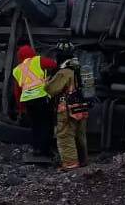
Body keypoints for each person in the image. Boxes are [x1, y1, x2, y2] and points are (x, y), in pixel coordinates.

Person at [45, 41, 89, 171]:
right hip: (82, 108)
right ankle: (83, 161)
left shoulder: (64, 72)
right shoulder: (81, 68)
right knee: (80, 135)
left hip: (67, 110)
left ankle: (70, 164)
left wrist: (47, 81)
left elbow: (51, 89)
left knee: (65, 135)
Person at [11, 44, 57, 163]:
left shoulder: (17, 70)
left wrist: (21, 108)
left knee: (35, 125)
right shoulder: (38, 60)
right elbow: (53, 64)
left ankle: (36, 149)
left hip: (28, 101)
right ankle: (45, 150)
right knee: (46, 124)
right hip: (41, 98)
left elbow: (17, 91)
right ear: (32, 53)